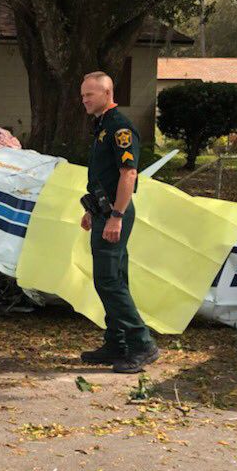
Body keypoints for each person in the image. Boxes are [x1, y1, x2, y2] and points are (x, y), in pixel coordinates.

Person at [78, 71, 158, 373]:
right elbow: (106, 176)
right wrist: (93, 211)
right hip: (103, 211)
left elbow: (129, 174)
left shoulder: (120, 128)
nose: (84, 99)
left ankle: (141, 344)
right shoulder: (101, 126)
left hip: (115, 214)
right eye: (83, 94)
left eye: (90, 94)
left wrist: (116, 216)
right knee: (115, 279)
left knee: (108, 280)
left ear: (108, 94)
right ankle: (117, 343)